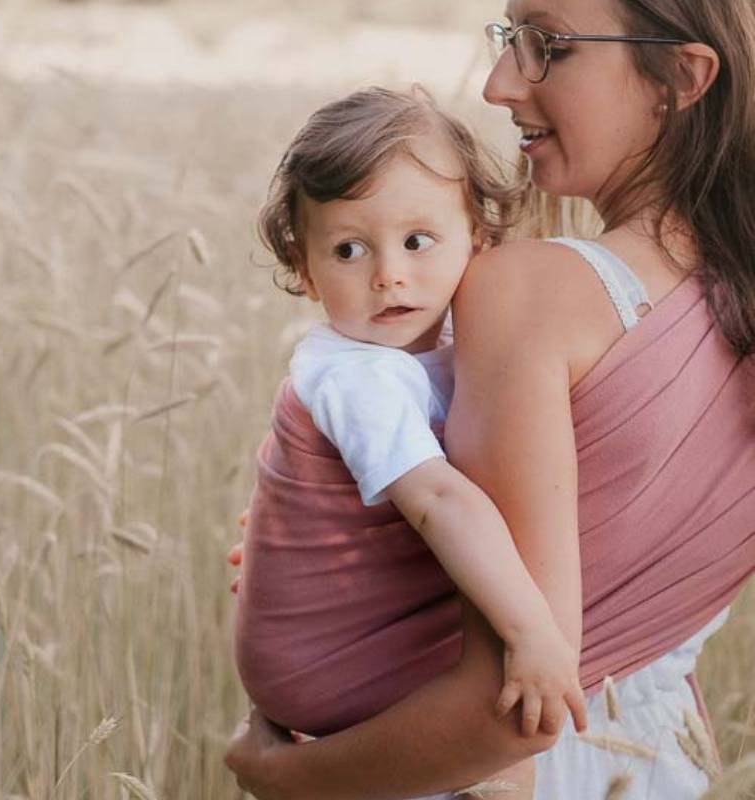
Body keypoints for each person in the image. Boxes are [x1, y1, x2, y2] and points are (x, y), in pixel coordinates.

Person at [225, 0, 755, 797]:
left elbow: (507, 717)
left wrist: (281, 775)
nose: (501, 82)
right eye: (509, 39)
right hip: (659, 766)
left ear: (680, 77)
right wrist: (341, 551)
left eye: (547, 46)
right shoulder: (737, 303)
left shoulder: (529, 293)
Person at [234, 86, 586, 800]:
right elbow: (439, 501)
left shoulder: (462, 341)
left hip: (351, 647)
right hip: (331, 668)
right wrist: (533, 633)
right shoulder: (356, 375)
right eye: (349, 249)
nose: (389, 273)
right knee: (494, 738)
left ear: (477, 240)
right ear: (306, 270)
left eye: (418, 241)